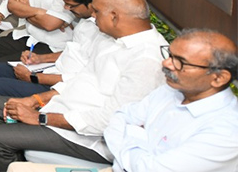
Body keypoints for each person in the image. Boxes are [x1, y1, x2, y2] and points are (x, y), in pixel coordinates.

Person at [0, 0, 168, 172]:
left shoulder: (146, 60)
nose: (92, 17)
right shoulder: (113, 40)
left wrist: (40, 118)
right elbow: (78, 80)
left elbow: (109, 121)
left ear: (114, 16)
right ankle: (7, 158)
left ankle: (7, 160)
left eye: (96, 12)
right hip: (62, 109)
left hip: (87, 137)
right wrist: (36, 100)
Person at [102, 29, 238, 172]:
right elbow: (119, 117)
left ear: (218, 78)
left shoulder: (226, 130)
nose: (166, 63)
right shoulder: (171, 90)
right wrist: (141, 147)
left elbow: (151, 169)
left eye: (180, 62)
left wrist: (133, 134)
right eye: (170, 55)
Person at [0, 0, 105, 98]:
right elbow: (72, 54)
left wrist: (34, 77)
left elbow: (82, 78)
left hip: (61, 87)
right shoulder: (84, 23)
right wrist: (40, 59)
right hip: (52, 69)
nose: (66, 9)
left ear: (90, 3)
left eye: (71, 6)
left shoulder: (103, 35)